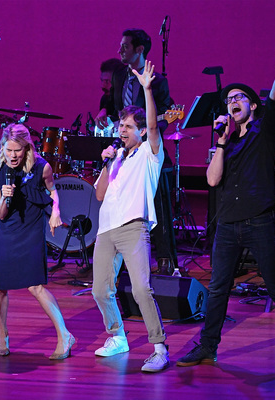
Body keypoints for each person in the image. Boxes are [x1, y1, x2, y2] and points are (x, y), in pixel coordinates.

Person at [176, 38, 275, 379]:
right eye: (229, 99)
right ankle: (208, 346)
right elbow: (212, 180)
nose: (233, 102)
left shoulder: (264, 133)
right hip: (228, 225)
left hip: (260, 223)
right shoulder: (228, 142)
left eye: (239, 98)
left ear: (252, 105)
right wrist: (220, 142)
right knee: (218, 288)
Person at [91, 61, 169, 373]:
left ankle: (159, 347)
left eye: (127, 126)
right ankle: (117, 336)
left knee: (140, 289)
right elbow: (99, 195)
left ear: (139, 131)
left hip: (134, 226)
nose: (121, 129)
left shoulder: (151, 154)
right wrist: (107, 163)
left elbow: (153, 126)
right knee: (100, 289)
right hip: (106, 228)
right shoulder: (118, 156)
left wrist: (148, 89)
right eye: (119, 125)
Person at [0, 124, 75, 359]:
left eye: (18, 151)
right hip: (6, 231)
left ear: (26, 149)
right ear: (2, 148)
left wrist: (56, 211)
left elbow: (52, 191)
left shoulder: (41, 168)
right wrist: (6, 198)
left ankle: (64, 335)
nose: (13, 155)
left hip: (31, 229)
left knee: (35, 286)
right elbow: (0, 214)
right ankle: (2, 334)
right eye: (9, 150)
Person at [95, 28, 177, 275]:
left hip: (146, 149)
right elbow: (111, 101)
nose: (120, 50)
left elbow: (165, 113)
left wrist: (146, 133)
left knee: (159, 202)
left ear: (139, 49)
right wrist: (102, 110)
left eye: (125, 46)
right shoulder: (120, 75)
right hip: (124, 149)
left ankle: (165, 258)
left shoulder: (158, 81)